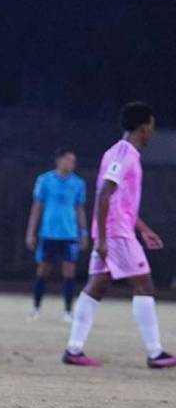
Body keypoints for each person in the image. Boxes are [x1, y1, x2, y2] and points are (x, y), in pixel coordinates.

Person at [63, 102, 176, 368]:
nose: (151, 132)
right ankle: (155, 353)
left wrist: (144, 229)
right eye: (151, 127)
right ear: (143, 127)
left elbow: (120, 202)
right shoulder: (123, 154)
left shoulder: (119, 152)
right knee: (144, 285)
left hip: (115, 229)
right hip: (116, 234)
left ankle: (73, 349)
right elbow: (104, 194)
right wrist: (102, 238)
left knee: (97, 286)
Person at [25, 148, 88, 321]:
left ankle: (67, 311)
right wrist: (31, 232)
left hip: (69, 235)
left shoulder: (78, 183)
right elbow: (37, 207)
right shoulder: (44, 180)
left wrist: (83, 232)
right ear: (59, 161)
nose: (71, 164)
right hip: (48, 233)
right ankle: (36, 308)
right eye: (68, 160)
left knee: (69, 271)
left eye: (73, 161)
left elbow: (80, 209)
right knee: (43, 270)